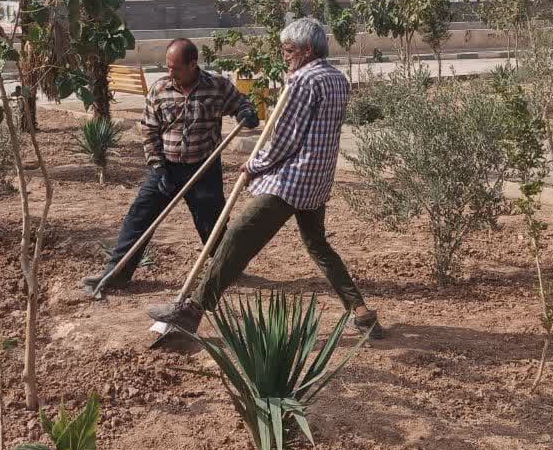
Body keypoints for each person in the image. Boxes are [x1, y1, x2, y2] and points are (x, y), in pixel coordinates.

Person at [149, 17, 382, 338]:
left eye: (288, 50)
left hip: (293, 180)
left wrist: (255, 165)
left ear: (307, 50)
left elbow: (286, 138)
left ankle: (192, 311)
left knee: (237, 238)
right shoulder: (337, 79)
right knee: (318, 245)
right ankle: (362, 312)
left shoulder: (301, 82)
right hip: (318, 180)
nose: (284, 55)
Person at [82, 38, 259, 294]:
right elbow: (149, 129)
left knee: (212, 223)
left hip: (204, 168)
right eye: (168, 66)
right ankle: (117, 273)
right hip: (166, 167)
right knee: (139, 217)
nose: (170, 72)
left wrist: (247, 114)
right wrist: (157, 166)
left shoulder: (217, 87)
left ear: (192, 64)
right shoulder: (160, 89)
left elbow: (243, 104)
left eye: (175, 67)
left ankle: (226, 269)